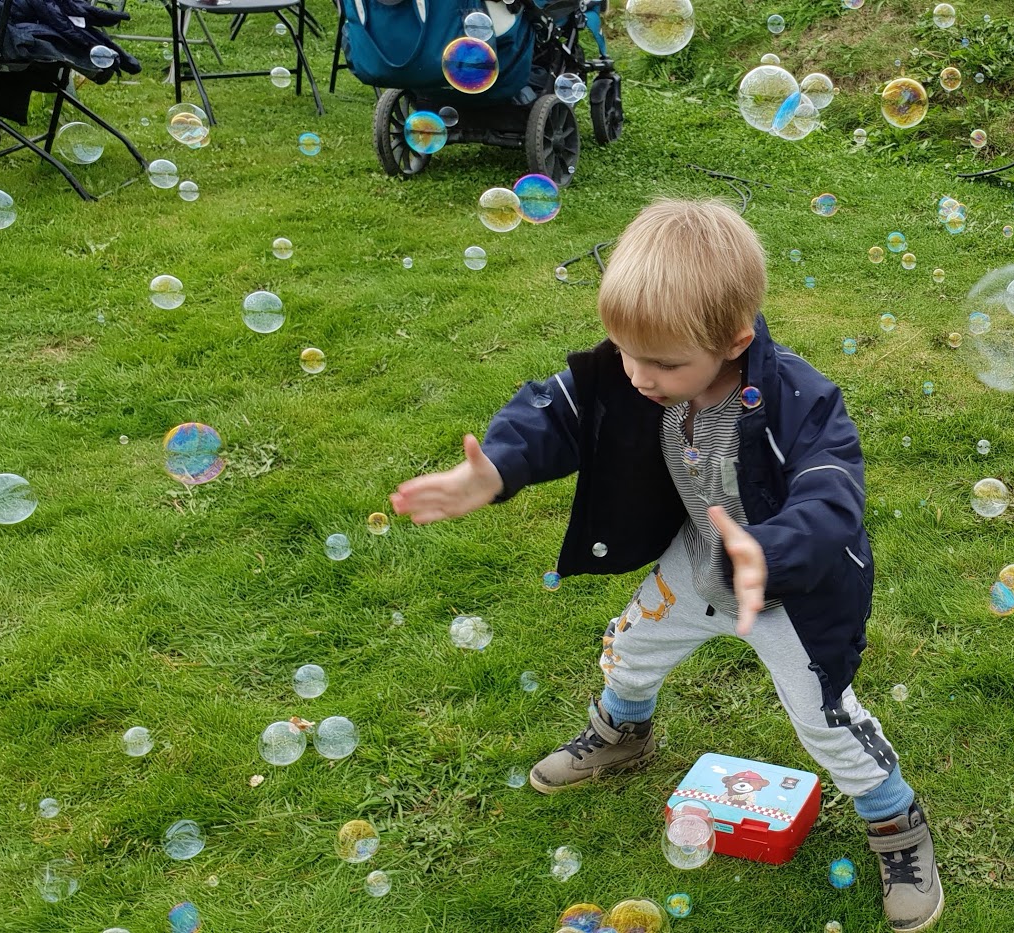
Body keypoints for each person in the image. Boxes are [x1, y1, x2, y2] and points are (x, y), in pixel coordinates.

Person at [389, 199, 943, 932]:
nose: (639, 375)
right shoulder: (635, 370)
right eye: (625, 350)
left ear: (734, 341)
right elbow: (556, 410)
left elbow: (832, 492)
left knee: (825, 717)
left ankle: (895, 822)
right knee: (631, 646)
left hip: (790, 591)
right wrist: (494, 470)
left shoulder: (801, 399)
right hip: (698, 559)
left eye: (664, 362)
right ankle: (623, 732)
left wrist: (770, 550)